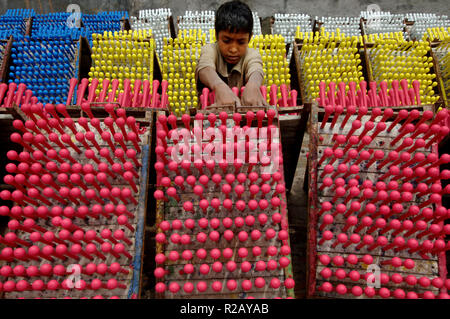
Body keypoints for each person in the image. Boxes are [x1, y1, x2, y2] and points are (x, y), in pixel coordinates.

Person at [195, 0, 266, 107]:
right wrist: (218, 86)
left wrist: (253, 85)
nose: (233, 49)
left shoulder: (251, 54)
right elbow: (205, 67)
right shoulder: (211, 49)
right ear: (216, 35)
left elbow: (256, 70)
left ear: (250, 38)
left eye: (241, 42)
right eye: (227, 41)